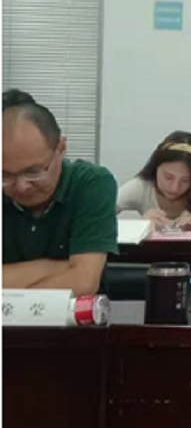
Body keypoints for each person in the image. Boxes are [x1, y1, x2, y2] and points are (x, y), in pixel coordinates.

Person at [2, 89, 117, 296]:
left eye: (33, 172)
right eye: (6, 175)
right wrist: (55, 267)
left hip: (73, 316)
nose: (21, 186)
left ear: (61, 148)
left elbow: (83, 283)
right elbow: (78, 276)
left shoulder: (91, 183)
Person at [116, 131, 191, 231]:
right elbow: (104, 218)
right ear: (155, 168)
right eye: (168, 177)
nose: (174, 188)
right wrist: (139, 225)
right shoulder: (141, 187)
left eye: (186, 180)